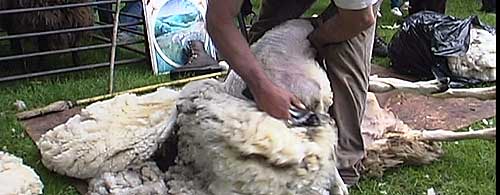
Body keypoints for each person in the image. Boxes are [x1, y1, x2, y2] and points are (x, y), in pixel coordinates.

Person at [206, 0, 382, 186]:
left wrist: (315, 38)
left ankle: (343, 164)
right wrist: (262, 87)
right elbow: (219, 20)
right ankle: (249, 136)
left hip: (356, 12)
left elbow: (359, 19)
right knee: (269, 36)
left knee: (344, 51)